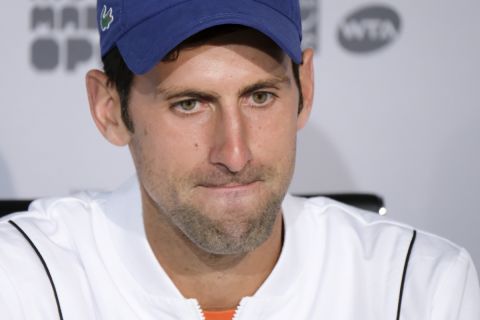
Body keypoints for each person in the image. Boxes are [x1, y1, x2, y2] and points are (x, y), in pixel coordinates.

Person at [1, 0, 479, 319]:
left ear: (304, 90)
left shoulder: (418, 287)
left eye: (260, 96)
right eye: (189, 103)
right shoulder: (24, 281)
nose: (234, 152)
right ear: (110, 109)